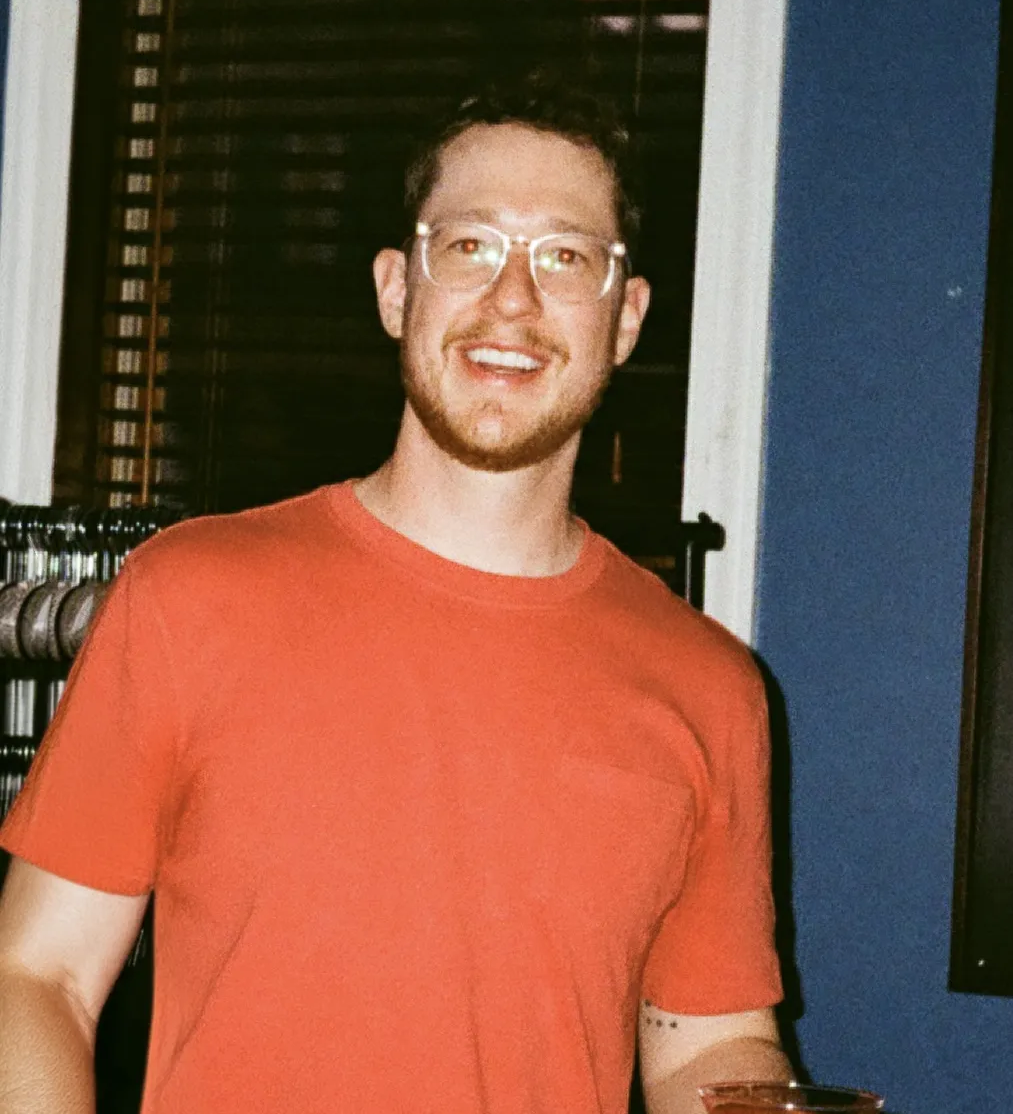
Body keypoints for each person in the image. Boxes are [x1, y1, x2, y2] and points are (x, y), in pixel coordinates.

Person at [0, 73, 794, 1114]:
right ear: (393, 289)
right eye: (468, 246)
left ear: (627, 317)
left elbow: (707, 1047)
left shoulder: (709, 685)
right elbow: (37, 978)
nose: (511, 300)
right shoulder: (189, 597)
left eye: (563, 257)